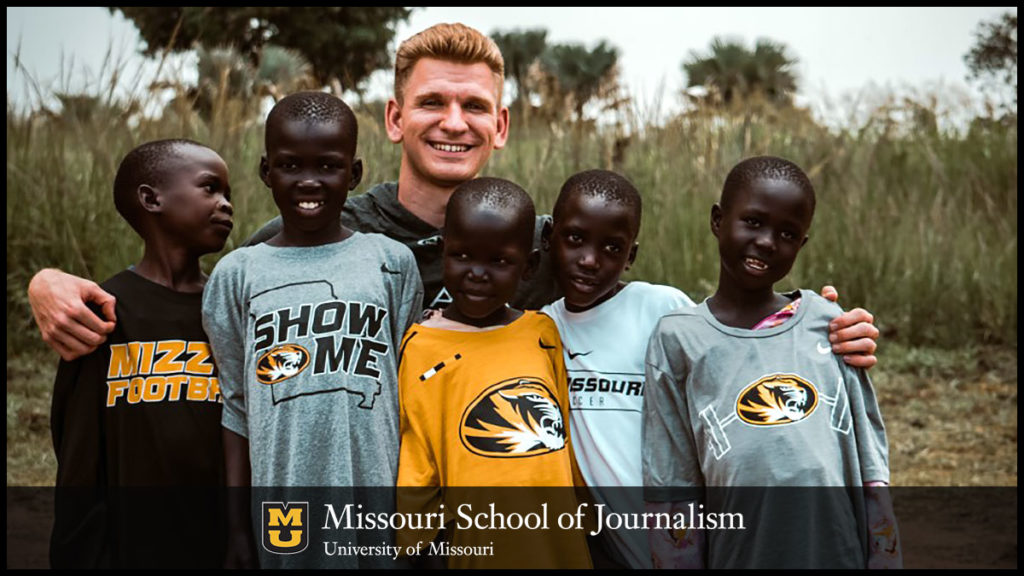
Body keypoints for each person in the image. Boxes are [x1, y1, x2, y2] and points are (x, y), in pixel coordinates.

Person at [23, 21, 882, 367]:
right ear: (394, 118)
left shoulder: (549, 243)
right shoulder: (315, 229)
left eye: (476, 105)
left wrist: (812, 321)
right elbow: (188, 298)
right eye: (433, 101)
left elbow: (687, 314)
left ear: (501, 126)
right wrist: (51, 284)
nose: (454, 121)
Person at [642, 156, 901, 569]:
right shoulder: (678, 338)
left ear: (802, 244)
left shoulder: (830, 324)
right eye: (753, 222)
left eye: (787, 233)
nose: (767, 241)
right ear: (717, 220)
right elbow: (671, 481)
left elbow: (870, 462)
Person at [200, 92, 423, 568]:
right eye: (289, 166)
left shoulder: (391, 262)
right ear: (265, 172)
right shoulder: (237, 275)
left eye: (327, 166)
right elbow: (236, 406)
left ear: (354, 174)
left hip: (375, 508)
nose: (308, 181)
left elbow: (407, 397)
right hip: (284, 512)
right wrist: (238, 529)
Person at [50, 139, 234, 568]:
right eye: (210, 189)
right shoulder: (102, 312)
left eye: (229, 194)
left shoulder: (232, 307)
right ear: (151, 199)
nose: (226, 204)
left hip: (221, 545)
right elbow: (79, 461)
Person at [396, 178, 591, 569]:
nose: (478, 273)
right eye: (463, 256)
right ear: (443, 253)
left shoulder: (542, 332)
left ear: (530, 265)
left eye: (498, 261)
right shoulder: (419, 346)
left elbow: (562, 433)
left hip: (556, 542)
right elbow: (417, 459)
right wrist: (418, 546)